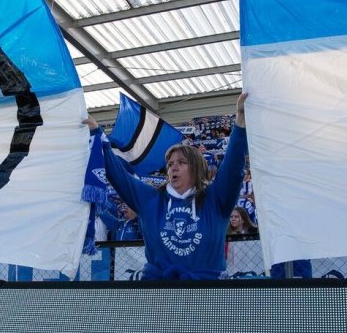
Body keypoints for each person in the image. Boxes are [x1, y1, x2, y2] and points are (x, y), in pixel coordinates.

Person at [85, 93, 249, 280]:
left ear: (196, 167)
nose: (173, 167)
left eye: (181, 162)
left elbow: (233, 168)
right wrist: (98, 136)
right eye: (170, 164)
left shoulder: (216, 199)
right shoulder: (151, 200)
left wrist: (240, 122)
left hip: (207, 290)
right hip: (159, 290)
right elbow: (119, 176)